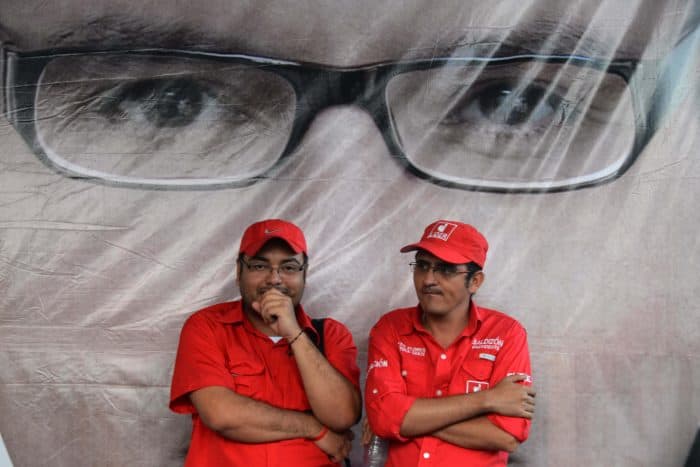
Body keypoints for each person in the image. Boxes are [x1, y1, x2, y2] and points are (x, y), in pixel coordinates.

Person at [0, 1, 698, 466]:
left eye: (516, 102)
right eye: (170, 102)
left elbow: (384, 415)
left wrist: (338, 371)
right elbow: (366, 417)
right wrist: (471, 405)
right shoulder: (217, 330)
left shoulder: (338, 336)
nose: (362, 273)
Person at [169, 219, 361, 466]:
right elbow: (221, 414)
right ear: (239, 271)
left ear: (305, 273)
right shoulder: (206, 327)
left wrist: (294, 333)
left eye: (289, 267)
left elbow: (342, 416)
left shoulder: (331, 335)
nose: (274, 279)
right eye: (260, 266)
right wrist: (314, 428)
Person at [365, 220, 535, 466]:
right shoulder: (390, 328)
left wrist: (408, 418)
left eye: (445, 269)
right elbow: (382, 418)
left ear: (475, 281)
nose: (428, 280)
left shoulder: (507, 334)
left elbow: (507, 435)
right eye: (422, 266)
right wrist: (486, 400)